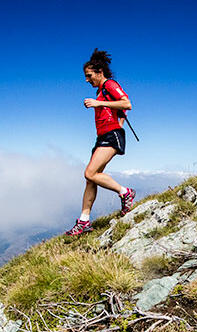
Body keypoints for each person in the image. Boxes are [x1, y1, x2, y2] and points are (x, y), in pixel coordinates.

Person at [66, 49, 136, 236]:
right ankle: (84, 221)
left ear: (99, 72)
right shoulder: (101, 90)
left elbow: (127, 103)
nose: (87, 80)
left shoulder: (109, 85)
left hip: (111, 136)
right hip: (104, 136)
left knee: (89, 173)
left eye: (89, 76)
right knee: (91, 179)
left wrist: (99, 104)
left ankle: (125, 192)